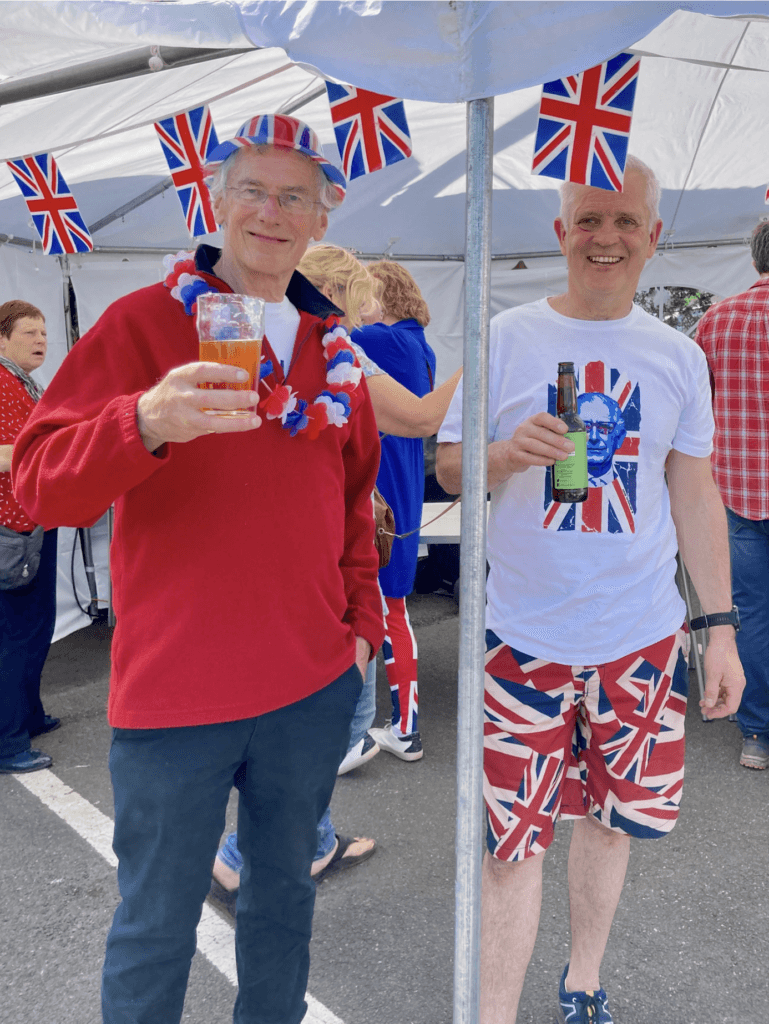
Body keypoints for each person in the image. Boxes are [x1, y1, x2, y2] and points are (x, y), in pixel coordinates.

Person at [13, 114, 385, 1024]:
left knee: (284, 903)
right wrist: (140, 422)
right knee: (155, 926)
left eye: (293, 195)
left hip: (308, 688)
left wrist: (363, 637)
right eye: (251, 189)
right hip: (176, 695)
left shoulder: (332, 350)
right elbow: (37, 481)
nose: (270, 211)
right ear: (216, 202)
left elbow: (353, 513)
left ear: (322, 217)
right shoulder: (144, 322)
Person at [436, 156, 745, 1024]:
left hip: (639, 640)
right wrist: (503, 455)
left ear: (654, 234)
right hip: (521, 640)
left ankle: (582, 984)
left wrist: (717, 630)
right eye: (587, 220)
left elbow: (694, 493)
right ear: (560, 231)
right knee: (511, 843)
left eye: (623, 222)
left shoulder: (677, 356)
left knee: (612, 823)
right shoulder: (505, 339)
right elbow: (450, 470)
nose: (604, 237)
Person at [211, 245, 462, 905]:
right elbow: (424, 417)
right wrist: (489, 354)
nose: (354, 322)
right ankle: (241, 853)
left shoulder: (264, 344)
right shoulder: (320, 345)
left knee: (315, 707)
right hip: (313, 560)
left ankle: (312, 839)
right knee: (333, 710)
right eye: (350, 310)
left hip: (296, 552)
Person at [695, 220, 769, 770]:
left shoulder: (717, 321)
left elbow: (694, 412)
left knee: (750, 615)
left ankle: (758, 735)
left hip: (740, 493)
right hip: (738, 493)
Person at [356, 259, 436, 761]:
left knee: (371, 610)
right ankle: (402, 723)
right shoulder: (418, 342)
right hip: (402, 482)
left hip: (376, 484)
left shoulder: (377, 342)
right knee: (393, 609)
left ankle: (387, 728)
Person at [0, 300, 60, 775]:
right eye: (28, 332)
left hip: (34, 519)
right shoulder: (1, 381)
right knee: (15, 634)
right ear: (2, 338)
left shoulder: (22, 381)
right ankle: (7, 741)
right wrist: (47, 450)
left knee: (35, 628)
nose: (41, 339)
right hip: (12, 527)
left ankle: (29, 715)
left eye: (43, 331)